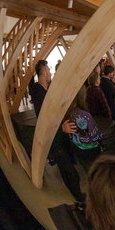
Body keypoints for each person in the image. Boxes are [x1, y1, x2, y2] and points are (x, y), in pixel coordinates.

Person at [29, 60, 86, 205]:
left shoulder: (44, 90)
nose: (50, 72)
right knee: (69, 171)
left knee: (68, 166)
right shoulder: (39, 93)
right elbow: (44, 120)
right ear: (44, 73)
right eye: (48, 70)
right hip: (53, 137)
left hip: (58, 135)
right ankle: (79, 198)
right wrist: (61, 128)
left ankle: (78, 195)